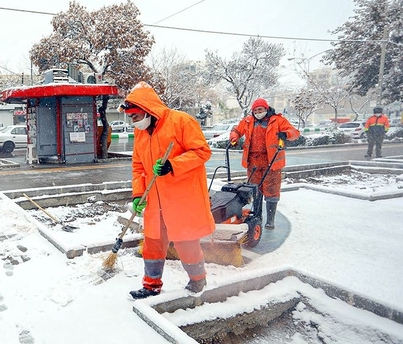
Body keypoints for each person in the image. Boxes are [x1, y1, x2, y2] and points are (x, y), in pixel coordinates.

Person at [122, 82, 216, 299]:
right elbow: (138, 167)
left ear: (147, 110)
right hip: (154, 200)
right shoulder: (141, 133)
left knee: (186, 243)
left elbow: (202, 151)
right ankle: (151, 285)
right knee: (152, 243)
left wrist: (173, 165)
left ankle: (198, 280)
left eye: (136, 116)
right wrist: (137, 194)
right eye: (131, 118)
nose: (134, 122)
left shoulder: (181, 121)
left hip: (181, 198)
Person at [229, 98, 300, 230]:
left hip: (271, 162)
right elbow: (236, 130)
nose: (257, 112)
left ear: (266, 109)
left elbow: (294, 132)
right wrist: (234, 138)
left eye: (260, 109)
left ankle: (270, 220)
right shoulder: (248, 121)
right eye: (255, 110)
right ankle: (257, 216)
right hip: (253, 162)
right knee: (255, 189)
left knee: (271, 190)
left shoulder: (277, 120)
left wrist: (286, 134)